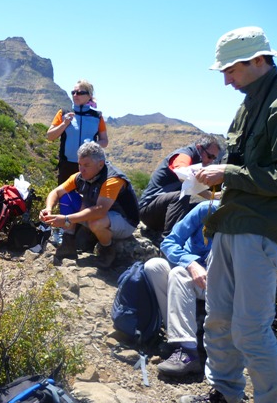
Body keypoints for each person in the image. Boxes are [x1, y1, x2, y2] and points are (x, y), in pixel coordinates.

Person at [178, 26, 277, 403]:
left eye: (230, 70)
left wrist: (229, 174)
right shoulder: (250, 102)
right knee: (219, 316)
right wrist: (218, 178)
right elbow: (245, 164)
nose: (226, 80)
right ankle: (224, 394)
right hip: (232, 222)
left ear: (257, 60)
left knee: (251, 330)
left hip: (263, 231)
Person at [144, 200, 219, 378]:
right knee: (154, 266)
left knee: (178, 273)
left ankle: (188, 354)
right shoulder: (206, 210)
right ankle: (177, 340)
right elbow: (169, 242)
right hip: (192, 275)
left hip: (220, 284)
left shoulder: (252, 218)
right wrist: (191, 263)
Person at [40, 141, 139, 269]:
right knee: (66, 197)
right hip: (101, 214)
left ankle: (107, 251)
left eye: (86, 165)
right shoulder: (81, 176)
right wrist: (48, 208)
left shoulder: (112, 179)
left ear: (100, 164)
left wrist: (66, 219)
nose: (81, 169)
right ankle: (68, 242)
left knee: (96, 222)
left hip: (125, 221)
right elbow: (57, 192)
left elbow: (100, 211)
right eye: (80, 164)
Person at [138, 135, 222, 238]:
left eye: (214, 158)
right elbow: (183, 174)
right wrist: (209, 195)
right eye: (210, 156)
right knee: (181, 196)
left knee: (205, 208)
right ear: (199, 148)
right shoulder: (183, 155)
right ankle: (169, 242)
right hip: (149, 211)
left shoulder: (199, 161)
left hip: (164, 212)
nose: (210, 161)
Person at [47, 79, 108, 185]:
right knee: (66, 200)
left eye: (79, 93)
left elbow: (104, 141)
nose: (75, 95)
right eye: (73, 92)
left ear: (89, 96)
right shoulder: (63, 113)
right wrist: (64, 123)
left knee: (87, 200)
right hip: (67, 165)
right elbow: (50, 136)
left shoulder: (97, 116)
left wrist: (92, 145)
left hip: (89, 166)